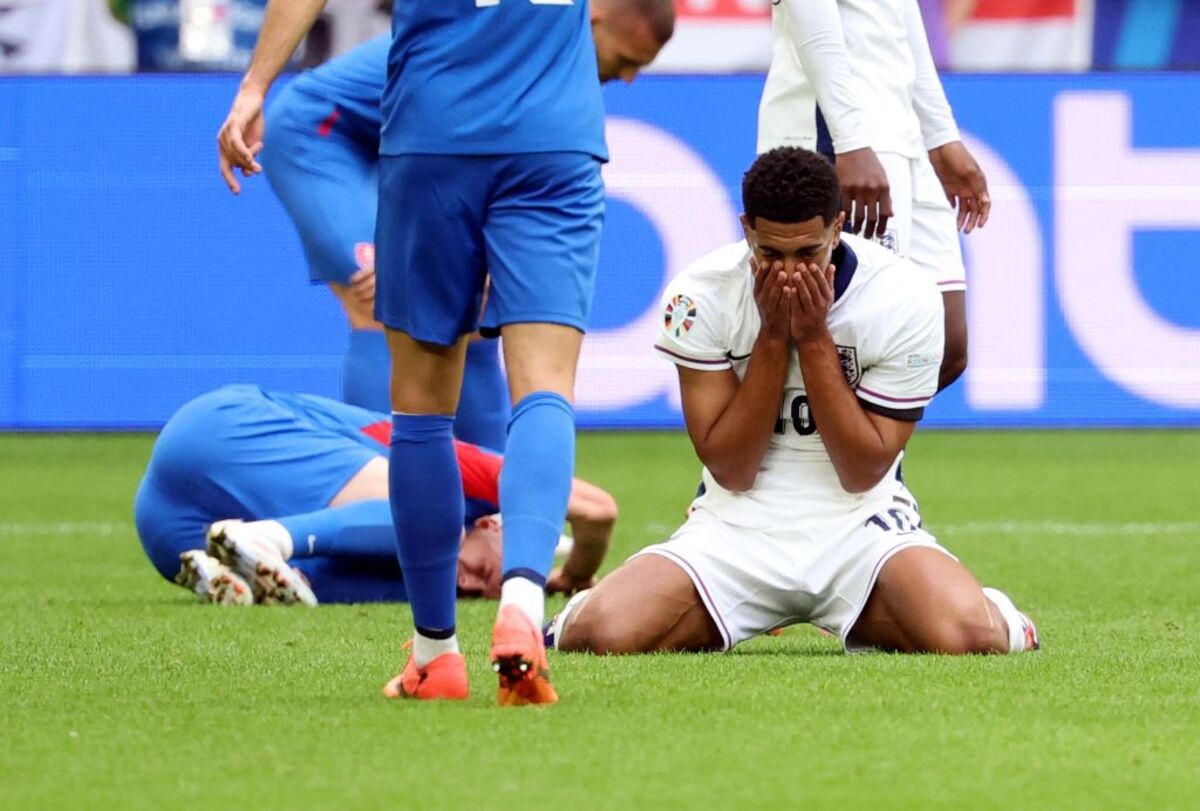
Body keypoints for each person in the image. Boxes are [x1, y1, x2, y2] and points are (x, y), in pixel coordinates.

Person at [216, 0, 674, 705]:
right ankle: (522, 600)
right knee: (545, 389)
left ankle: (435, 653)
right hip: (553, 144)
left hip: (434, 139)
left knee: (423, 407)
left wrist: (255, 87)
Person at [547, 148, 1039, 659]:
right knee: (597, 636)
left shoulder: (904, 296)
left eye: (808, 253)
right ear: (745, 229)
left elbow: (864, 469)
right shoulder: (698, 295)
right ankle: (847, 618)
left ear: (838, 228)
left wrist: (814, 338)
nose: (786, 273)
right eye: (769, 254)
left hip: (863, 526)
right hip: (733, 526)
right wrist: (774, 341)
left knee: (972, 638)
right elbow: (731, 468)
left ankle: (993, 614)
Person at [133, 385, 617, 607]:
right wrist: (564, 578)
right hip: (223, 430)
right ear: (494, 523)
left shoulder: (428, 567)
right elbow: (597, 510)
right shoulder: (476, 477)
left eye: (482, 591)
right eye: (486, 572)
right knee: (431, 521)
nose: (469, 584)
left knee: (413, 586)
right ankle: (268, 540)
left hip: (167, 530)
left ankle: (231, 577)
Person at [260, 35, 509, 449]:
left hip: (400, 145)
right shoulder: (504, 41)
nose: (626, 77)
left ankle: (491, 506)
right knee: (378, 298)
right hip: (318, 135)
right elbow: (450, 138)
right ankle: (381, 492)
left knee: (476, 311)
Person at [758, 0, 990, 391]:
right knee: (857, 338)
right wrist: (849, 141)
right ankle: (802, 452)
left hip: (900, 129)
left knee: (945, 344)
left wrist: (940, 134)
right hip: (836, 133)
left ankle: (859, 450)